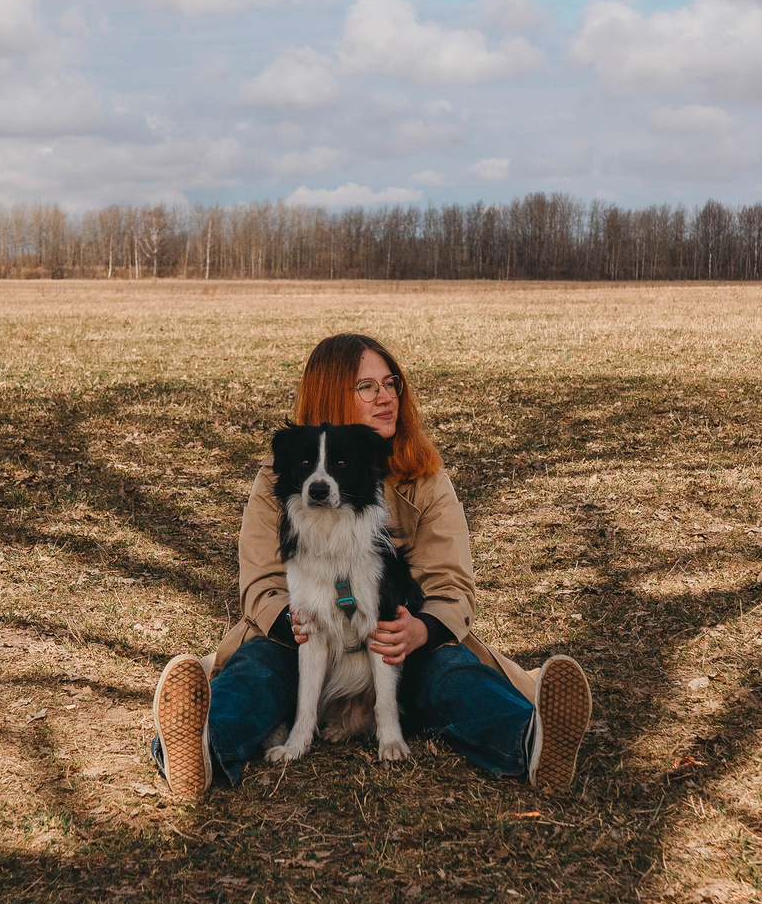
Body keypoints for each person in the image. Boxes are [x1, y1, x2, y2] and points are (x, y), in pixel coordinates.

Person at [149, 332, 593, 803]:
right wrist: (290, 621)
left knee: (450, 671)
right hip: (299, 643)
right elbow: (259, 581)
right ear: (330, 396)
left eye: (390, 383)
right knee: (258, 669)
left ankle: (532, 740)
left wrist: (421, 630)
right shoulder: (279, 480)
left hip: (395, 648)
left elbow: (452, 583)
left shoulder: (424, 475)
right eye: (366, 387)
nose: (385, 397)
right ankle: (198, 748)